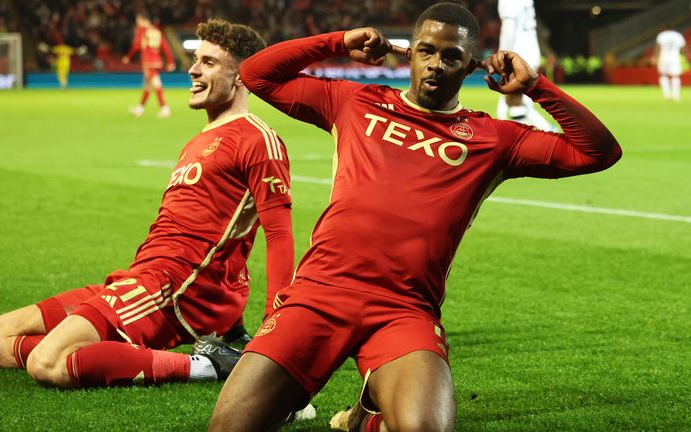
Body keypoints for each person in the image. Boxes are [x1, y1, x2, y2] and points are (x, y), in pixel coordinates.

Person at [209, 3, 621, 431]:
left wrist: (535, 86)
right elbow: (257, 74)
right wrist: (338, 41)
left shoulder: (494, 139)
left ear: (470, 67)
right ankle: (369, 415)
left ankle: (367, 416)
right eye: (426, 51)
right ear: (409, 53)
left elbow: (598, 152)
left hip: (403, 309)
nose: (436, 64)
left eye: (451, 57)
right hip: (320, 293)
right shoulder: (354, 101)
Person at [0, 19, 294, 390]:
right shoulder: (199, 140)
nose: (192, 68)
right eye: (195, 59)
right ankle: (103, 353)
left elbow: (278, 236)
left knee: (48, 363)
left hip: (172, 290)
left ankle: (207, 366)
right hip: (138, 278)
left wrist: (275, 328)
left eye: (208, 62)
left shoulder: (257, 139)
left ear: (241, 76)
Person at [496, 0, 556, 131]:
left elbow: (509, 28)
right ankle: (499, 123)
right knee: (512, 95)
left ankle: (547, 130)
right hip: (531, 51)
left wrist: (503, 55)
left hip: (518, 54)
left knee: (515, 101)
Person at [122, 12, 176, 118]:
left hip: (148, 62)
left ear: (142, 19)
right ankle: (139, 109)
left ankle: (165, 108)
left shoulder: (142, 31)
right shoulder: (156, 31)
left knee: (156, 84)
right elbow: (165, 46)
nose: (137, 22)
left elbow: (136, 46)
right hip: (157, 61)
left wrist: (128, 56)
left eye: (138, 20)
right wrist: (170, 61)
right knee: (147, 86)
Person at [653, 28, 688, 102]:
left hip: (664, 57)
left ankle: (666, 95)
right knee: (675, 76)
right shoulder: (678, 35)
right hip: (675, 57)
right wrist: (686, 55)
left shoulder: (662, 35)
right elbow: (684, 47)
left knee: (663, 75)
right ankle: (676, 95)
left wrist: (655, 57)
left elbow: (658, 47)